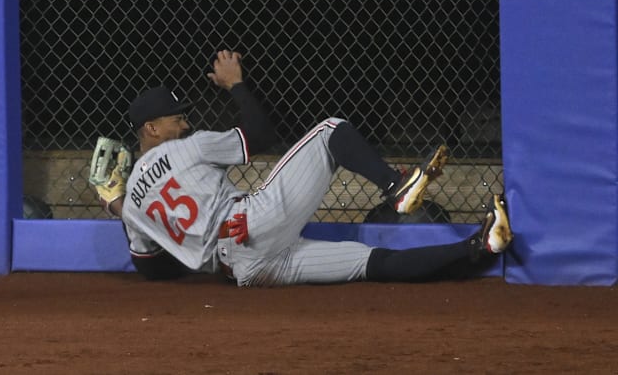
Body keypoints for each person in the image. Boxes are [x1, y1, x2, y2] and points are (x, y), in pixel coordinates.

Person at [92, 50, 513, 287]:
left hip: (245, 268)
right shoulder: (191, 148)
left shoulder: (130, 206)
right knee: (331, 131)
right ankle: (395, 185)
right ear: (151, 128)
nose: (184, 123)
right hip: (253, 223)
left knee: (369, 262)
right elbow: (259, 133)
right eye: (175, 119)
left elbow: (152, 268)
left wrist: (119, 207)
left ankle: (479, 249)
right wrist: (236, 83)